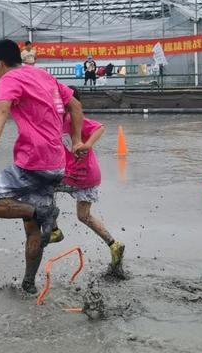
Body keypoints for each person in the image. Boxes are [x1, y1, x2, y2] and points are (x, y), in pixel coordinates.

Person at [0, 39, 85, 294]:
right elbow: (76, 105)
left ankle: (43, 213)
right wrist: (77, 140)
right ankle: (28, 284)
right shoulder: (42, 75)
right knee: (31, 225)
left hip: (33, 162)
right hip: (56, 163)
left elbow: (1, 111)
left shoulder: (8, 79)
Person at [49, 87, 125, 269]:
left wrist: (87, 144)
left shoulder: (73, 120)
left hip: (80, 175)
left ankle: (54, 230)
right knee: (84, 216)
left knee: (43, 187)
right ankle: (113, 244)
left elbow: (100, 127)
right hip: (81, 175)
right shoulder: (57, 122)